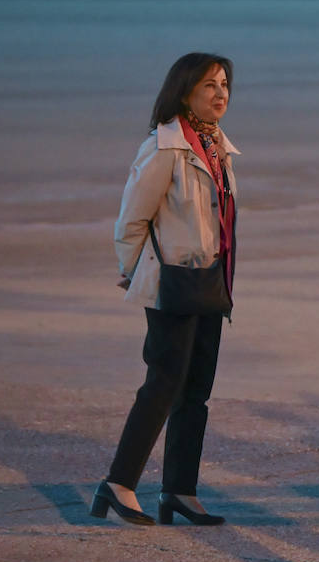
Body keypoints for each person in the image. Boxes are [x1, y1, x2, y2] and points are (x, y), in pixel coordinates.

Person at [95, 53, 239, 528]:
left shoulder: (216, 148)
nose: (220, 93)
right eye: (209, 86)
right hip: (171, 283)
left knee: (195, 391)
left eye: (224, 85)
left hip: (209, 283)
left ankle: (180, 490)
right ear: (184, 93)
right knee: (162, 384)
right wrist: (132, 269)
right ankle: (119, 484)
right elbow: (132, 218)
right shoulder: (164, 147)